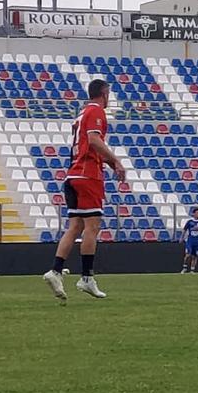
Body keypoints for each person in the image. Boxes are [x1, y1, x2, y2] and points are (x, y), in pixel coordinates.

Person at [42, 78, 126, 302]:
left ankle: (56, 270)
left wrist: (110, 163)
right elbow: (94, 141)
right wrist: (116, 161)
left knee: (76, 225)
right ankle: (87, 277)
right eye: (109, 93)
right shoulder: (96, 112)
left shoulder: (81, 115)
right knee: (92, 225)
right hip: (88, 175)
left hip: (73, 175)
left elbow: (89, 144)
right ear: (104, 93)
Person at [180, 207, 198, 274]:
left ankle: (192, 270)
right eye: (197, 213)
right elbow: (184, 229)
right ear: (194, 214)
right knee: (188, 254)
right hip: (190, 240)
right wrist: (182, 238)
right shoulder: (190, 221)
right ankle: (184, 268)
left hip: (197, 241)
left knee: (195, 256)